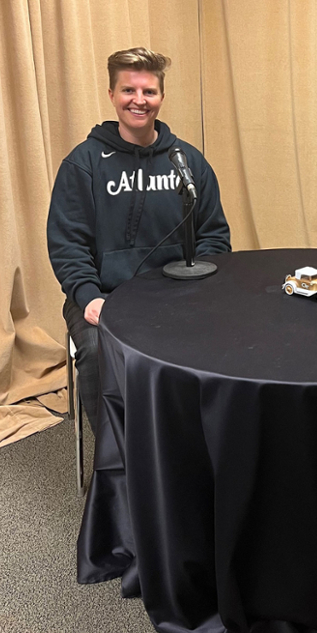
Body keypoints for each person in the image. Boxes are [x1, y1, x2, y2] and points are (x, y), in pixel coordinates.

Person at [48, 47, 231, 434]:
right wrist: (87, 295)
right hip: (104, 298)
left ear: (161, 97)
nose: (139, 100)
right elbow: (68, 244)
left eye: (149, 92)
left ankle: (194, 449)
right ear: (112, 95)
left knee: (231, 339)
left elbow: (213, 235)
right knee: (99, 353)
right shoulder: (83, 164)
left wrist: (199, 288)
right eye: (129, 90)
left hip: (177, 295)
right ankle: (121, 470)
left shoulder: (189, 163)